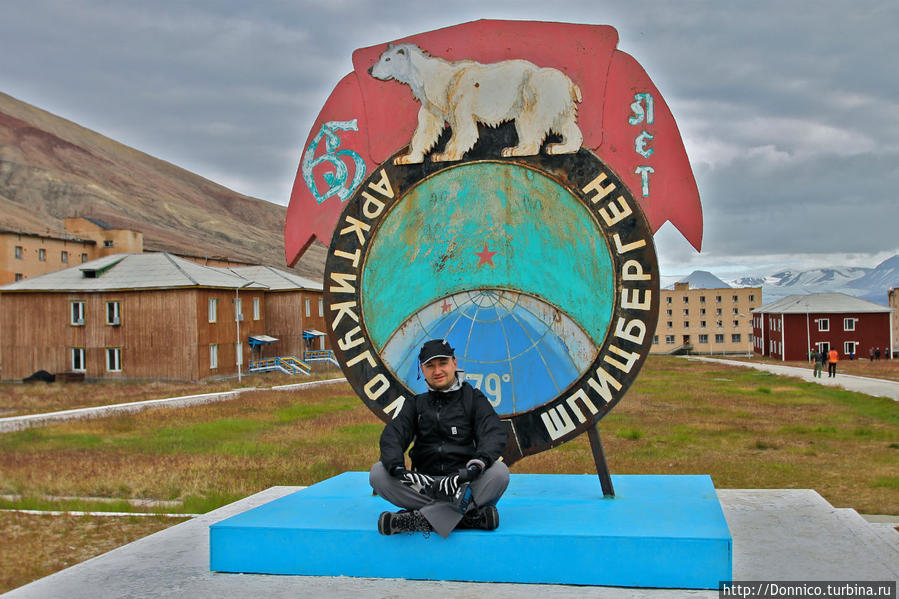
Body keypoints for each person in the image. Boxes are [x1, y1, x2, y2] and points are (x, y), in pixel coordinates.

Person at [369, 339, 510, 538]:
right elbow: (393, 434)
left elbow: (493, 432)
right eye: (430, 366)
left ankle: (417, 520)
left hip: (463, 484)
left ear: (454, 363)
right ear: (422, 370)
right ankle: (468, 518)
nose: (437, 371)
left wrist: (472, 469)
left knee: (499, 473)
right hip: (425, 486)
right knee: (378, 474)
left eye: (442, 363)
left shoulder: (473, 398)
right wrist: (400, 470)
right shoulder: (416, 404)